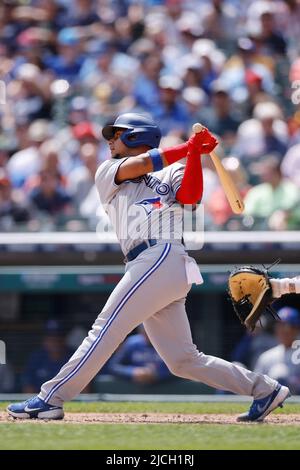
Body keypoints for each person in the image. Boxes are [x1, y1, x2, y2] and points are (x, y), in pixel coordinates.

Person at [8, 113, 290, 422]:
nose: (110, 140)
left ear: (135, 136)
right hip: (150, 262)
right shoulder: (108, 170)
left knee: (103, 331)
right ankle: (264, 389)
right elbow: (142, 166)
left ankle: (50, 398)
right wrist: (190, 146)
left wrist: (195, 153)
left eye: (116, 134)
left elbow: (191, 196)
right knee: (183, 360)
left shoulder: (170, 173)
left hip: (163, 256)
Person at [254, 307, 300, 395]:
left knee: (280, 373)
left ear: (297, 329)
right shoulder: (267, 356)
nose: (283, 330)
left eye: (288, 326)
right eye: (280, 325)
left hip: (296, 400)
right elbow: (256, 386)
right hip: (268, 401)